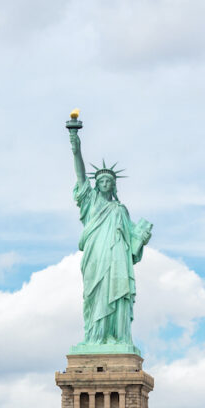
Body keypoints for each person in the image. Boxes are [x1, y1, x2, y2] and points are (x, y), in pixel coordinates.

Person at [68, 126, 152, 347]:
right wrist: (75, 146)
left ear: (113, 186)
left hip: (116, 260)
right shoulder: (91, 201)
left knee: (114, 292)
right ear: (96, 185)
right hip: (96, 256)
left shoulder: (120, 209)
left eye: (109, 182)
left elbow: (132, 241)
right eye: (102, 181)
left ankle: (116, 336)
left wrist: (141, 237)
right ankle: (94, 337)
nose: (105, 184)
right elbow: (79, 174)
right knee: (94, 295)